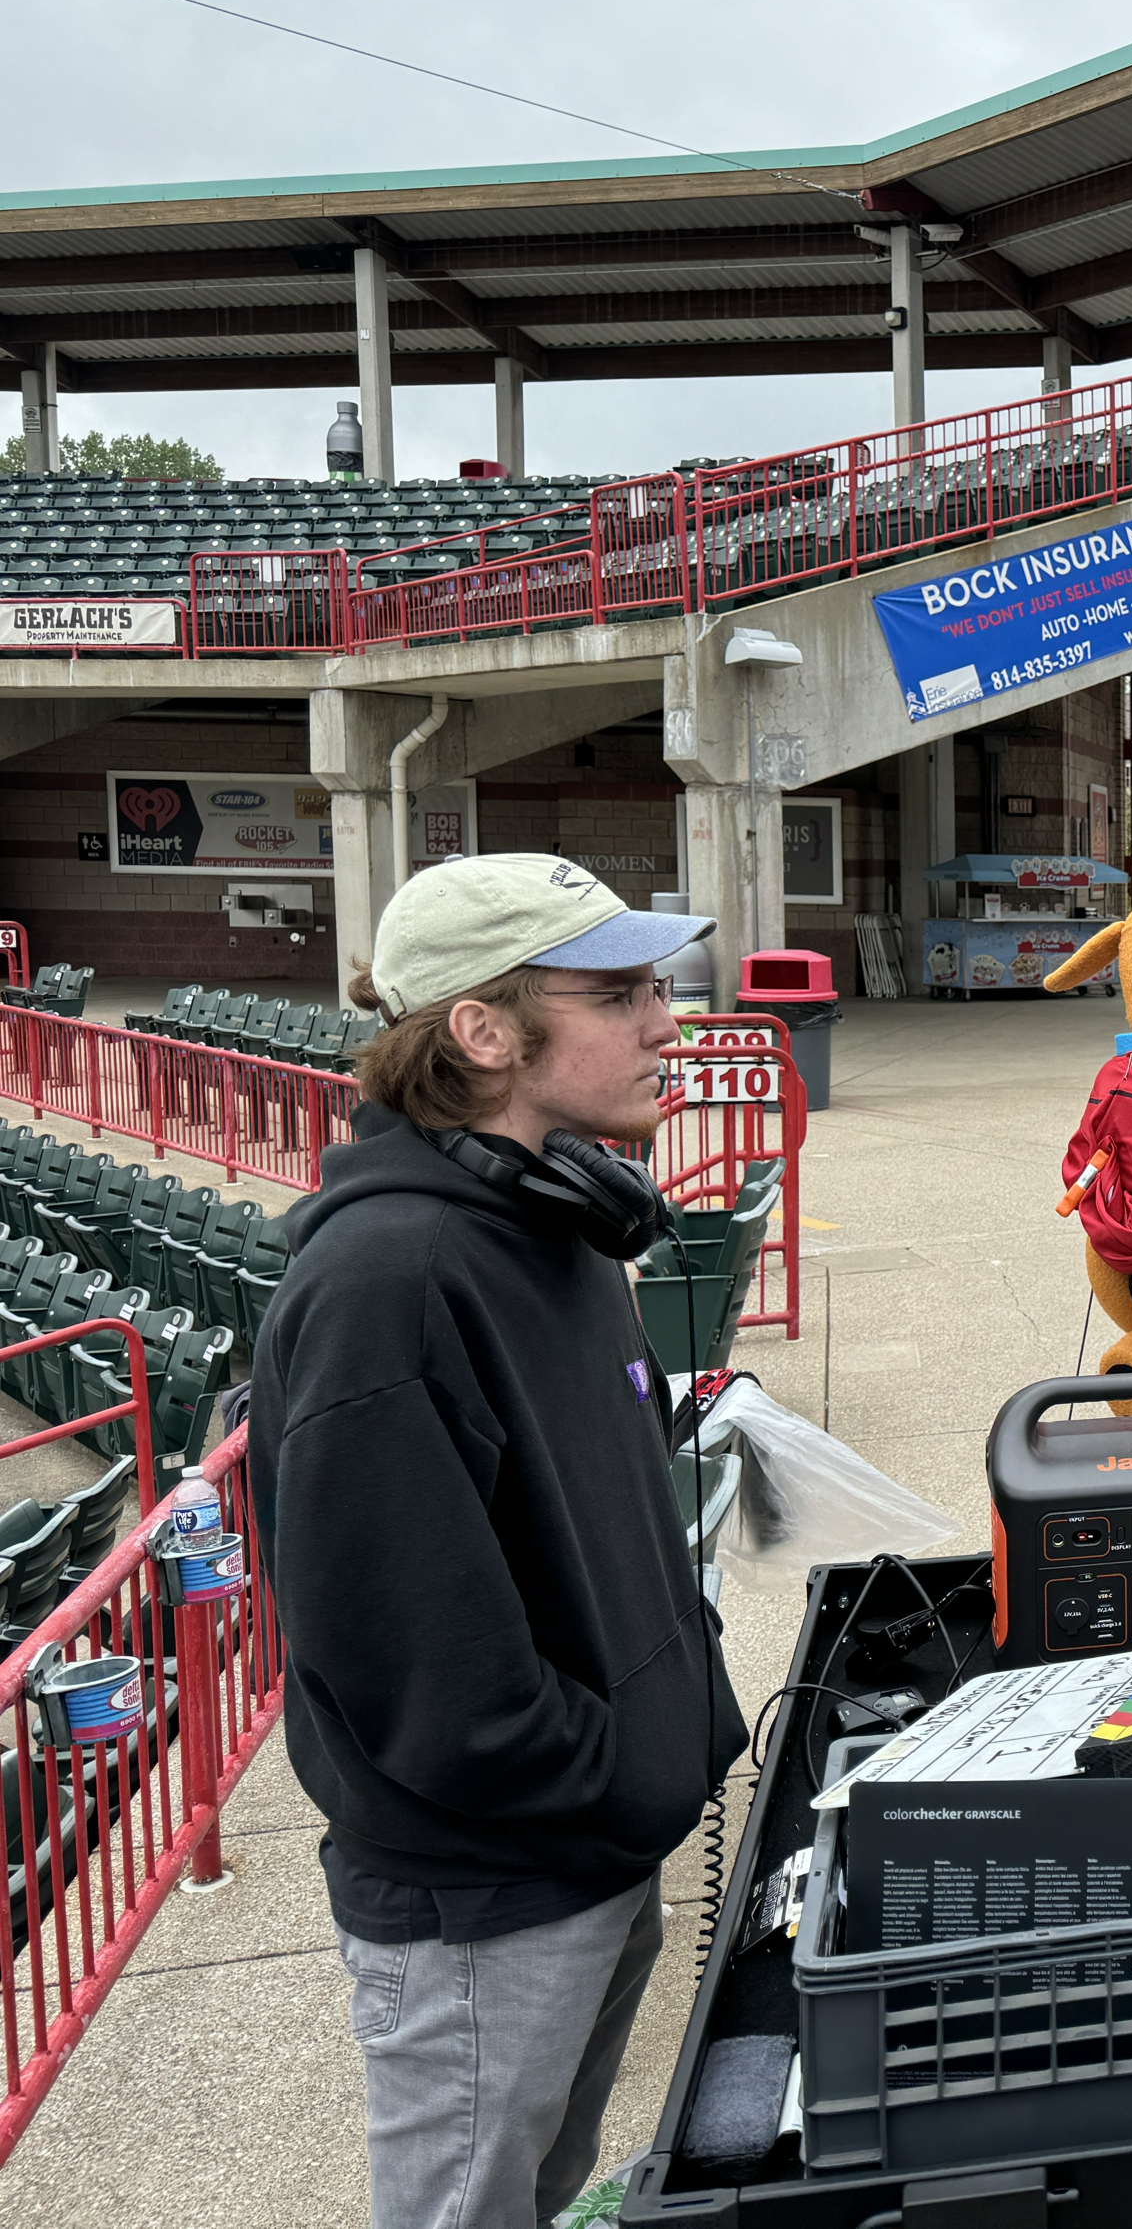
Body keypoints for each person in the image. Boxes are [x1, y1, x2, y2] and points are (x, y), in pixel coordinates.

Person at [248, 855, 749, 2229]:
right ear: (483, 1031)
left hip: (595, 1845)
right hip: (496, 1896)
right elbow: (422, 1669)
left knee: (543, 2191)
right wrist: (609, 1768)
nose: (669, 1021)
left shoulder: (559, 1225)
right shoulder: (388, 1284)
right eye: (622, 992)